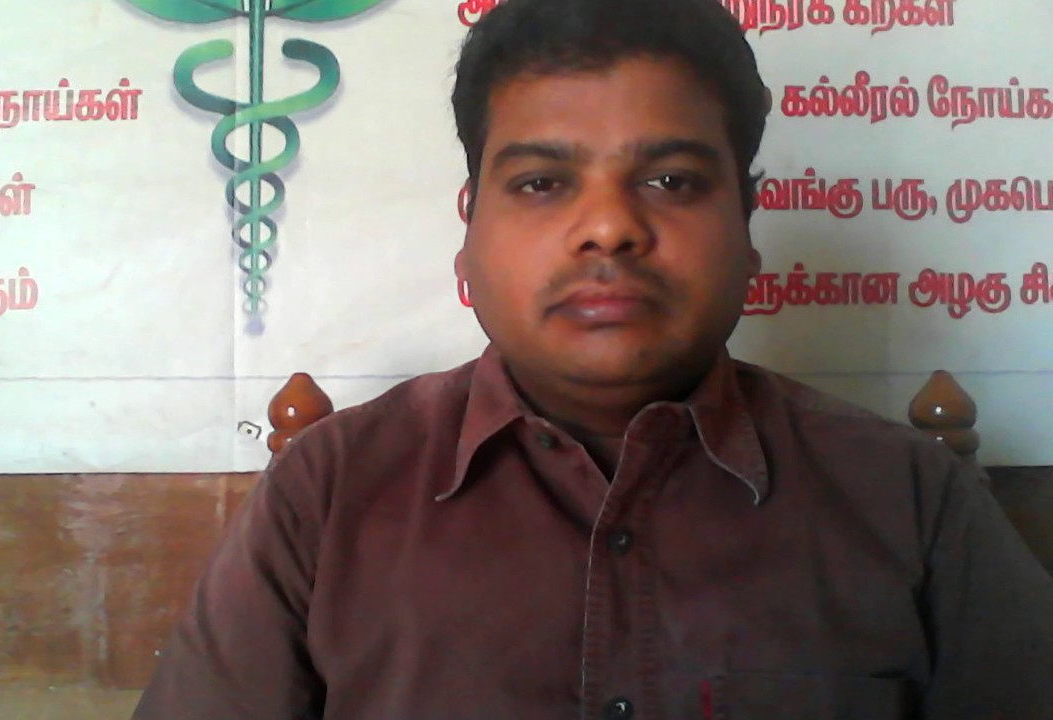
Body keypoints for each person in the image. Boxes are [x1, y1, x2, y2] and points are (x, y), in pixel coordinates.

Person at [133, 0, 1053, 717]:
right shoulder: (329, 495)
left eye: (672, 180)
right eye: (542, 182)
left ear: (747, 224)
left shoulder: (908, 501)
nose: (610, 225)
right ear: (470, 229)